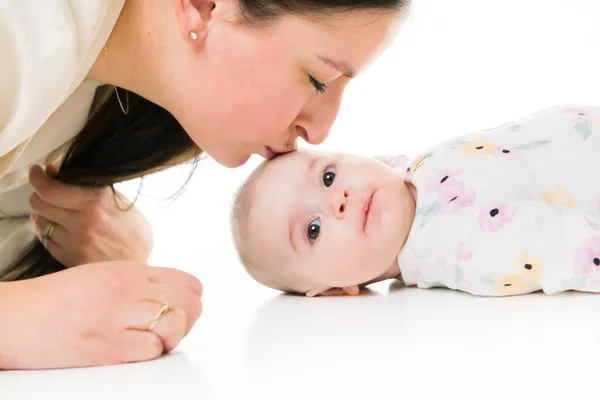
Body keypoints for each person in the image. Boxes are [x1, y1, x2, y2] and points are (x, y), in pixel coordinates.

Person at [0, 0, 409, 369]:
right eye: (318, 80)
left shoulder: (109, 101)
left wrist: (117, 254)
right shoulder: (22, 36)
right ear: (203, 6)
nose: (320, 131)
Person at [232, 105, 600, 297]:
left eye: (328, 176)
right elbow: (562, 248)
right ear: (331, 290)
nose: (337, 201)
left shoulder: (409, 172)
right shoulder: (457, 249)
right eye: (313, 230)